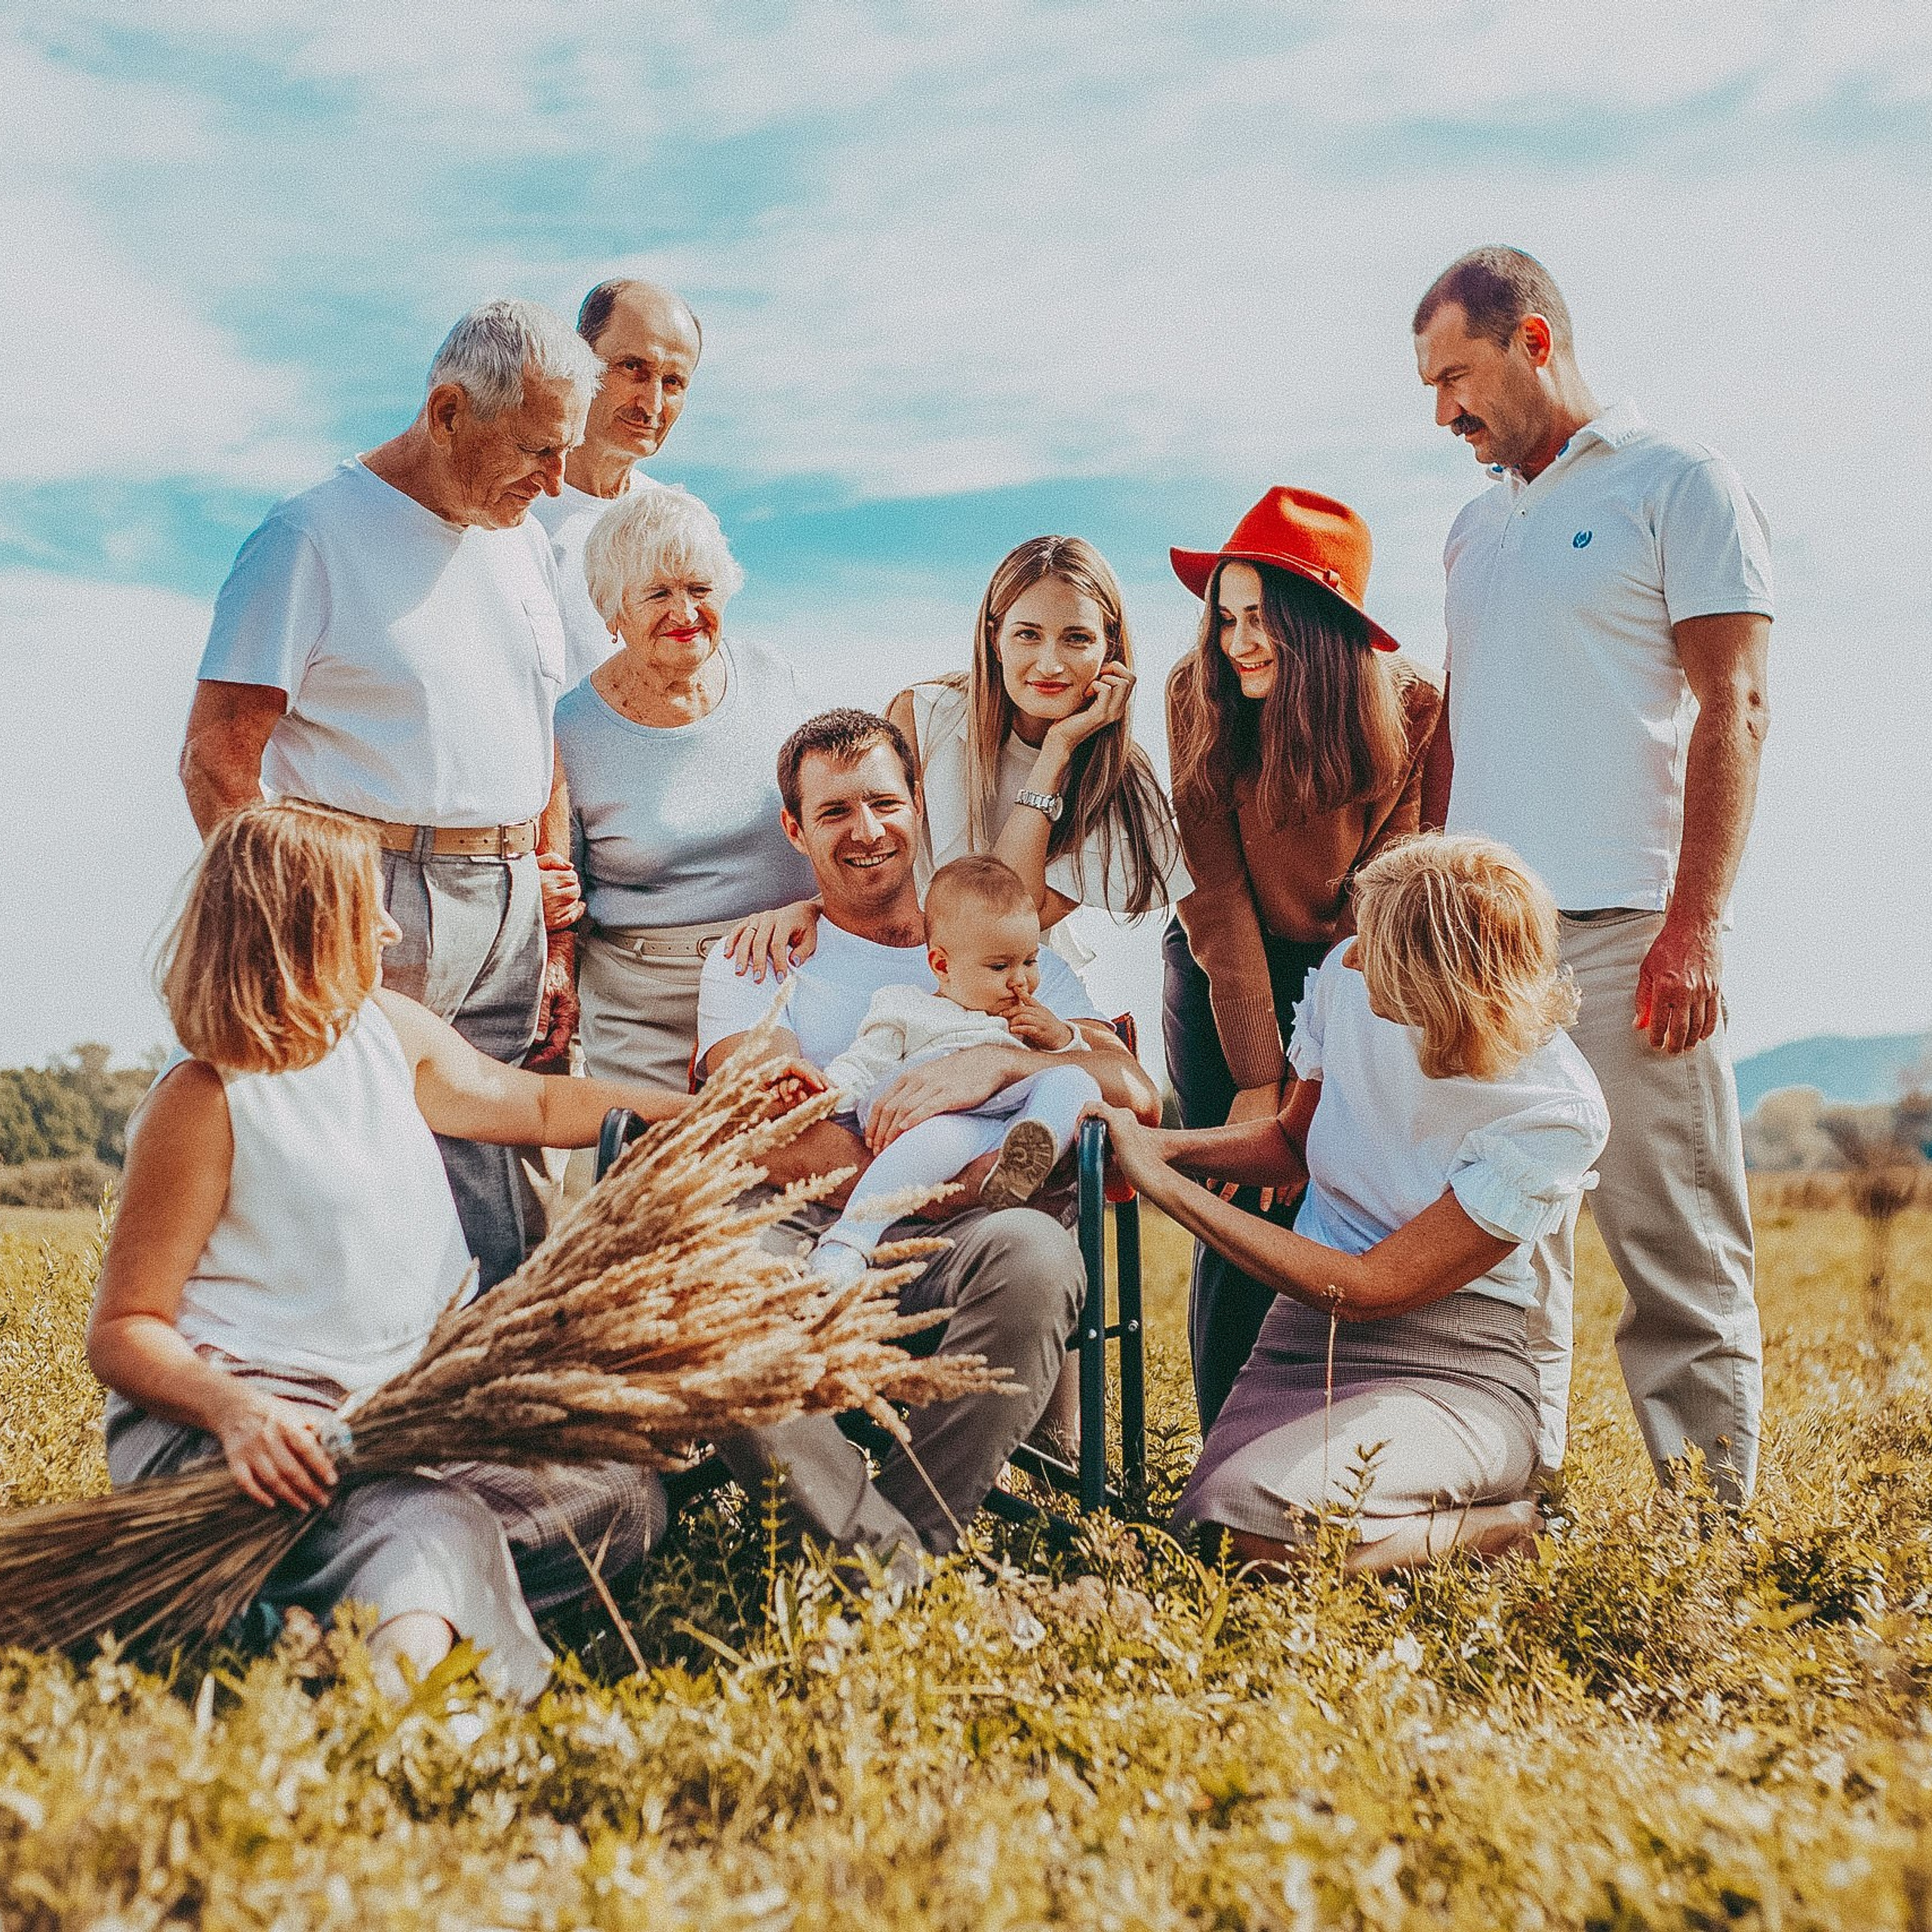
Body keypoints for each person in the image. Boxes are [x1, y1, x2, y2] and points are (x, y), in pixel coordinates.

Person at [88, 802, 694, 1701]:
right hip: (251, 1444)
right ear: (301, 924)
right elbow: (125, 1329)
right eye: (364, 907)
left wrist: (719, 1116)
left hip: (387, 1430)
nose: (391, 925)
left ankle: (310, 1621)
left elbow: (529, 1106)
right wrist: (238, 1413)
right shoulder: (206, 1097)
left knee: (620, 1498)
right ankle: (399, 1660)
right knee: (429, 1524)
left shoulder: (387, 1032)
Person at [1413, 245, 1772, 1500]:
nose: (1443, 413)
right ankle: (1518, 1507)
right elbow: (1455, 735)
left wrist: (1698, 929)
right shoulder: (1472, 529)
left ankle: (1708, 1549)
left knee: (1675, 1247)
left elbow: (1736, 707)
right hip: (1493, 956)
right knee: (1511, 1251)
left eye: (1455, 376)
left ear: (1534, 341)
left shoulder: (1679, 482)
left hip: (1633, 932)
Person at [180, 298, 603, 1288]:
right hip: (365, 897)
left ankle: (491, 1426)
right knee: (364, 1174)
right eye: (536, 453)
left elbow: (532, 721)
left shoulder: (522, 540)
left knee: (508, 1196)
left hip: (510, 906)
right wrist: (294, 927)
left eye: (564, 454)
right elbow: (216, 757)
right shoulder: (309, 537)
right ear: (448, 411)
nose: (552, 484)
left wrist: (546, 886)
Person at [696, 710, 1161, 1572]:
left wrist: (994, 1059)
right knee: (719, 1291)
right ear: (794, 829)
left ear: (917, 802)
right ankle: (891, 1560)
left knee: (1040, 1259)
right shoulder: (755, 960)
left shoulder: (1008, 948)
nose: (867, 830)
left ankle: (888, 1543)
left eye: (883, 801)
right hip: (813, 1226)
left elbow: (1133, 1087)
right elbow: (769, 1124)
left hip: (978, 1232)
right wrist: (958, 1175)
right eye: (834, 812)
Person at [1091, 834, 1609, 1572]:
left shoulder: (1557, 1108)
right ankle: (1384, 1529)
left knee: (1260, 1541)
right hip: (1305, 1341)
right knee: (1211, 1531)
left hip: (1453, 1363)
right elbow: (1290, 1144)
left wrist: (1164, 1187)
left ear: (1439, 970)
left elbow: (1370, 1287)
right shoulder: (1345, 976)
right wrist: (1161, 1145)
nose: (1354, 954)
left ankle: (1504, 1524)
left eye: (1379, 943)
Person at [1162, 488, 1443, 1430]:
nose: (1237, 642)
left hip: (1355, 967)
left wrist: (1314, 1077)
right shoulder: (1192, 694)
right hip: (1222, 967)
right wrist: (1258, 1077)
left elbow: (1384, 897)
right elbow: (1215, 896)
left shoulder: (1414, 710)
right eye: (1226, 617)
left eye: (1261, 622)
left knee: (1339, 1183)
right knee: (1243, 1204)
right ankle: (1222, 1448)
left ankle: (1328, 1434)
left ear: (1319, 630)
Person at [727, 534, 1185, 1004]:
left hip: (1016, 1000)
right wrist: (814, 909)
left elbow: (997, 920)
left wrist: (1058, 751)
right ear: (996, 639)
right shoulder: (925, 718)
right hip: (899, 974)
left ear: (1109, 649)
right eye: (1028, 634)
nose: (1050, 664)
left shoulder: (1119, 781)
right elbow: (868, 845)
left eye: (1077, 639)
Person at [554, 485, 816, 1090]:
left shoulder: (776, 679)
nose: (685, 612)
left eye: (700, 590)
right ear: (612, 611)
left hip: (787, 973)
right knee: (656, 1179)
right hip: (644, 1006)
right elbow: (563, 896)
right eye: (657, 594)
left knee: (795, 1165)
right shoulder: (570, 729)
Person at [811, 856, 1104, 1286]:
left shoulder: (1028, 1020)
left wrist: (1060, 1039)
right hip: (941, 1121)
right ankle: (849, 1242)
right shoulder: (908, 1006)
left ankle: (1022, 1162)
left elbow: (1075, 1069)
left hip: (1005, 1125)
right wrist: (826, 1093)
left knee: (1074, 1078)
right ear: (942, 965)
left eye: (1030, 960)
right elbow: (864, 1062)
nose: (1020, 981)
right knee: (934, 1141)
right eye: (1000, 967)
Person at [533, 278, 703, 688]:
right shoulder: (505, 506)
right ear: (580, 359)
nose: (653, 405)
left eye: (673, 382)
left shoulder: (679, 523)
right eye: (633, 368)